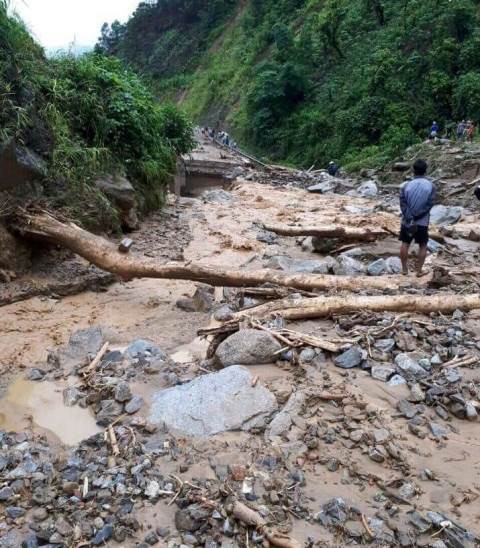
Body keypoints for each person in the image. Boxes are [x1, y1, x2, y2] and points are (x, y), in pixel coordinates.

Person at [399, 159, 436, 277]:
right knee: (423, 245)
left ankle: (404, 269)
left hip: (407, 221)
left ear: (413, 170)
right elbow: (430, 204)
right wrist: (418, 215)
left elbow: (403, 203)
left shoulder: (406, 185)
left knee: (405, 243)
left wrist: (409, 216)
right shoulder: (431, 186)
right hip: (422, 222)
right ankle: (419, 270)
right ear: (425, 171)